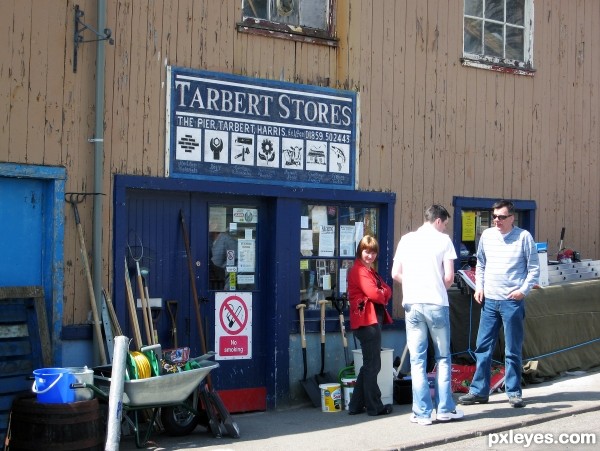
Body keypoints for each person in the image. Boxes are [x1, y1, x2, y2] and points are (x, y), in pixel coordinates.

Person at [459, 200, 540, 408]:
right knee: (482, 347)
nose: (497, 220)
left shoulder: (523, 237)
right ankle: (479, 391)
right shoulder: (487, 235)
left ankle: (513, 392)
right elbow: (481, 264)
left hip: (512, 301)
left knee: (512, 349)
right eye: (494, 216)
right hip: (490, 301)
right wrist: (479, 287)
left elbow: (533, 270)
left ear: (512, 217)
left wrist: (522, 291)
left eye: (502, 217)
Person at [391, 204, 464, 426]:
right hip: (436, 303)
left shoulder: (406, 240)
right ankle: (445, 409)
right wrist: (435, 285)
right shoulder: (443, 241)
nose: (445, 229)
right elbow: (449, 277)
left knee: (417, 359)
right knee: (443, 357)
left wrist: (414, 284)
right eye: (445, 225)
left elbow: (395, 274)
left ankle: (421, 412)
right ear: (439, 221)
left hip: (412, 303)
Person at [347, 235, 394, 416]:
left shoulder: (369, 271)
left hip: (371, 320)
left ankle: (356, 406)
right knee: (373, 365)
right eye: (367, 251)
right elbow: (376, 294)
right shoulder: (359, 271)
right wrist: (382, 292)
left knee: (370, 365)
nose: (370, 255)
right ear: (360, 251)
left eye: (373, 252)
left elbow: (386, 289)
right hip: (367, 321)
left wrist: (382, 292)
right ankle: (375, 407)